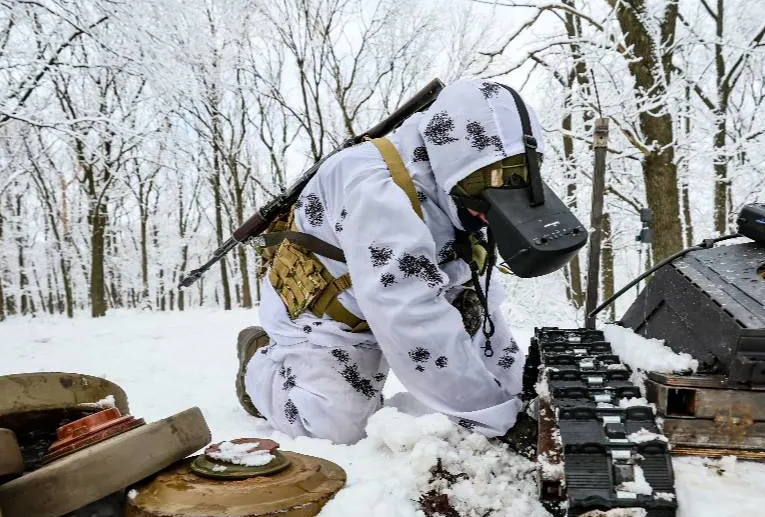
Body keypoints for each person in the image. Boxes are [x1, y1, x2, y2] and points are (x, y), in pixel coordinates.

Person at [235, 79, 551, 445]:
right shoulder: (377, 191)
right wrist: (501, 423)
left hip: (403, 291)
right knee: (339, 427)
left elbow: (479, 287)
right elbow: (410, 317)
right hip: (329, 316)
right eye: (493, 178)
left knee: (506, 385)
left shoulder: (464, 179)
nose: (506, 189)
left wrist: (519, 393)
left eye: (516, 176)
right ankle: (258, 365)